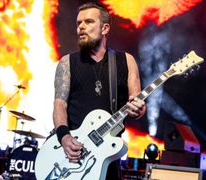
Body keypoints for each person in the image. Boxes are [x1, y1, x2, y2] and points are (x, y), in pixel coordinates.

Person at [53, 2, 146, 179]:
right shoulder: (67, 63)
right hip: (73, 154)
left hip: (108, 156)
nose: (81, 27)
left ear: (104, 28)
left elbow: (137, 106)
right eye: (78, 23)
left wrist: (139, 109)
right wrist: (64, 137)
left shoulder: (126, 61)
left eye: (88, 22)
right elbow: (59, 104)